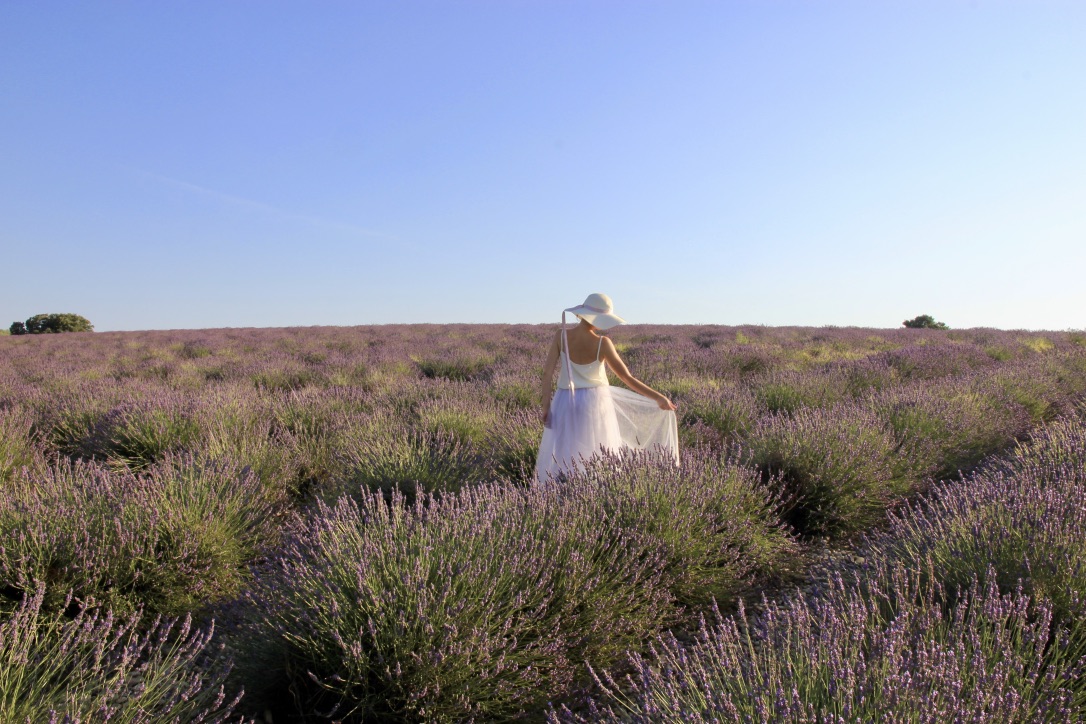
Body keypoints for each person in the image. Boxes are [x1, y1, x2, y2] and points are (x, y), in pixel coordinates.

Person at [535, 292, 679, 483]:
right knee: (596, 451)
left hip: (563, 400)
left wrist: (546, 407)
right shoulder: (603, 343)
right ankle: (592, 494)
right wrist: (659, 397)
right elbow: (627, 377)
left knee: (563, 453)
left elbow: (546, 374)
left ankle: (563, 495)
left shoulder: (561, 336)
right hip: (595, 402)